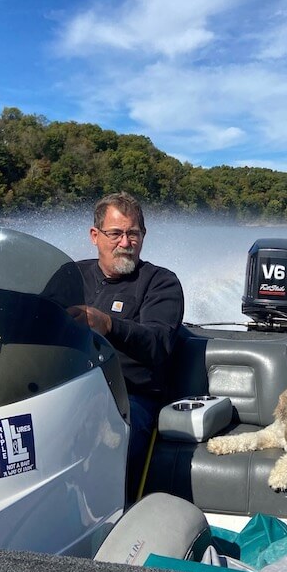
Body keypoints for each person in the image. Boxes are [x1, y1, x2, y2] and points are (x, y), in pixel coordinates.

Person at [68, 191, 184, 502]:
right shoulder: (70, 276)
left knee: (104, 440)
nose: (125, 242)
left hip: (127, 396)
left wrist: (109, 325)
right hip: (64, 386)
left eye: (133, 233)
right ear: (95, 236)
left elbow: (158, 344)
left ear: (143, 236)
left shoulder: (160, 283)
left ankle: (109, 521)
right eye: (116, 233)